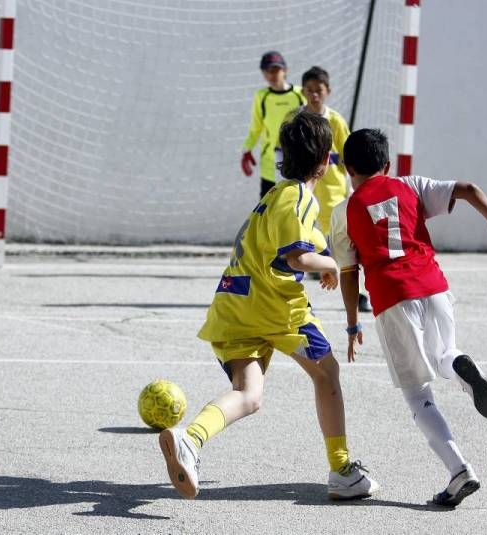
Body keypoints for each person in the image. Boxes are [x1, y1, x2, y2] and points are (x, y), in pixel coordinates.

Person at [160, 112, 379, 501]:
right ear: (325, 160)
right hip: (274, 307)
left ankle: (189, 439)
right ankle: (342, 468)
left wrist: (322, 255)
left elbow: (296, 245)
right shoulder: (297, 196)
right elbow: (297, 258)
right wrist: (333, 264)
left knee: (249, 394)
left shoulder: (272, 197)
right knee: (326, 373)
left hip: (232, 305)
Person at [328, 128, 487, 507]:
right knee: (445, 354)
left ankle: (459, 470)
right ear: (387, 164)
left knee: (418, 394)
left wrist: (353, 323)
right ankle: (461, 365)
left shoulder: (343, 211)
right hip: (435, 287)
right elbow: (468, 188)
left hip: (393, 298)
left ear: (347, 167)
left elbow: (349, 272)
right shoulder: (412, 185)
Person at [283, 66, 372, 312]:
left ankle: (358, 293)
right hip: (304, 193)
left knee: (343, 245)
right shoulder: (294, 119)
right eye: (309, 91)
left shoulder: (336, 121)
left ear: (327, 92)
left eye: (318, 91)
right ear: (303, 91)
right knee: (296, 246)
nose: (314, 95)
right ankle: (293, 296)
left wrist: (353, 187)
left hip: (332, 193)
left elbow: (349, 155)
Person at [241, 51, 305, 199]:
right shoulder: (262, 96)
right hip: (270, 165)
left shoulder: (299, 94)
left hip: (296, 163)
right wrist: (247, 149)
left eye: (276, 70)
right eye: (268, 71)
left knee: (293, 205)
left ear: (285, 70)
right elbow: (256, 128)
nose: (272, 75)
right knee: (267, 209)